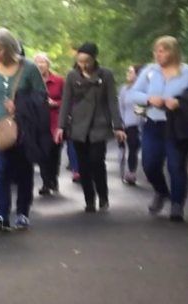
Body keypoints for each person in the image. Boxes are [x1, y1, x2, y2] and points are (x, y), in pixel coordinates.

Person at [128, 36, 188, 222]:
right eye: (156, 51)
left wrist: (179, 103)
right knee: (149, 164)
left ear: (173, 52)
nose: (158, 55)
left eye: (162, 51)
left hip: (178, 126)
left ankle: (177, 205)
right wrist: (148, 99)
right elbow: (133, 94)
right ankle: (161, 191)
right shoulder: (149, 71)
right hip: (153, 124)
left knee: (176, 166)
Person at [0, 28, 48, 232]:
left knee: (23, 170)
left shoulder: (29, 68)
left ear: (10, 48)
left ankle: (22, 212)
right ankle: (1, 214)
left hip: (23, 127)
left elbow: (42, 97)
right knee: (0, 168)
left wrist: (20, 104)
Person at [56, 43, 125, 212]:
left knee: (97, 161)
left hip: (99, 124)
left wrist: (118, 126)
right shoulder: (72, 76)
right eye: (80, 61)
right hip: (78, 126)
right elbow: (66, 102)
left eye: (87, 61)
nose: (83, 65)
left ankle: (103, 195)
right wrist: (61, 126)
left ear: (94, 59)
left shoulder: (105, 75)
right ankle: (89, 199)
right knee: (83, 164)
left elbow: (112, 101)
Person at [34, 53, 65, 195]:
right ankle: (46, 182)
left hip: (55, 123)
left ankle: (53, 178)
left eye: (43, 62)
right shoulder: (31, 82)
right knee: (42, 153)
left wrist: (55, 103)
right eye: (37, 63)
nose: (40, 65)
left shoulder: (59, 81)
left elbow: (69, 101)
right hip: (38, 122)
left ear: (48, 64)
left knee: (54, 153)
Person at [117, 65, 143, 185]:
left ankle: (131, 172)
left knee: (133, 148)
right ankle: (123, 170)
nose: (128, 73)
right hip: (124, 123)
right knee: (122, 148)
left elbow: (141, 109)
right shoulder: (124, 89)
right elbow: (120, 106)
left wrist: (139, 123)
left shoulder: (142, 90)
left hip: (135, 125)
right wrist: (120, 123)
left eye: (131, 72)